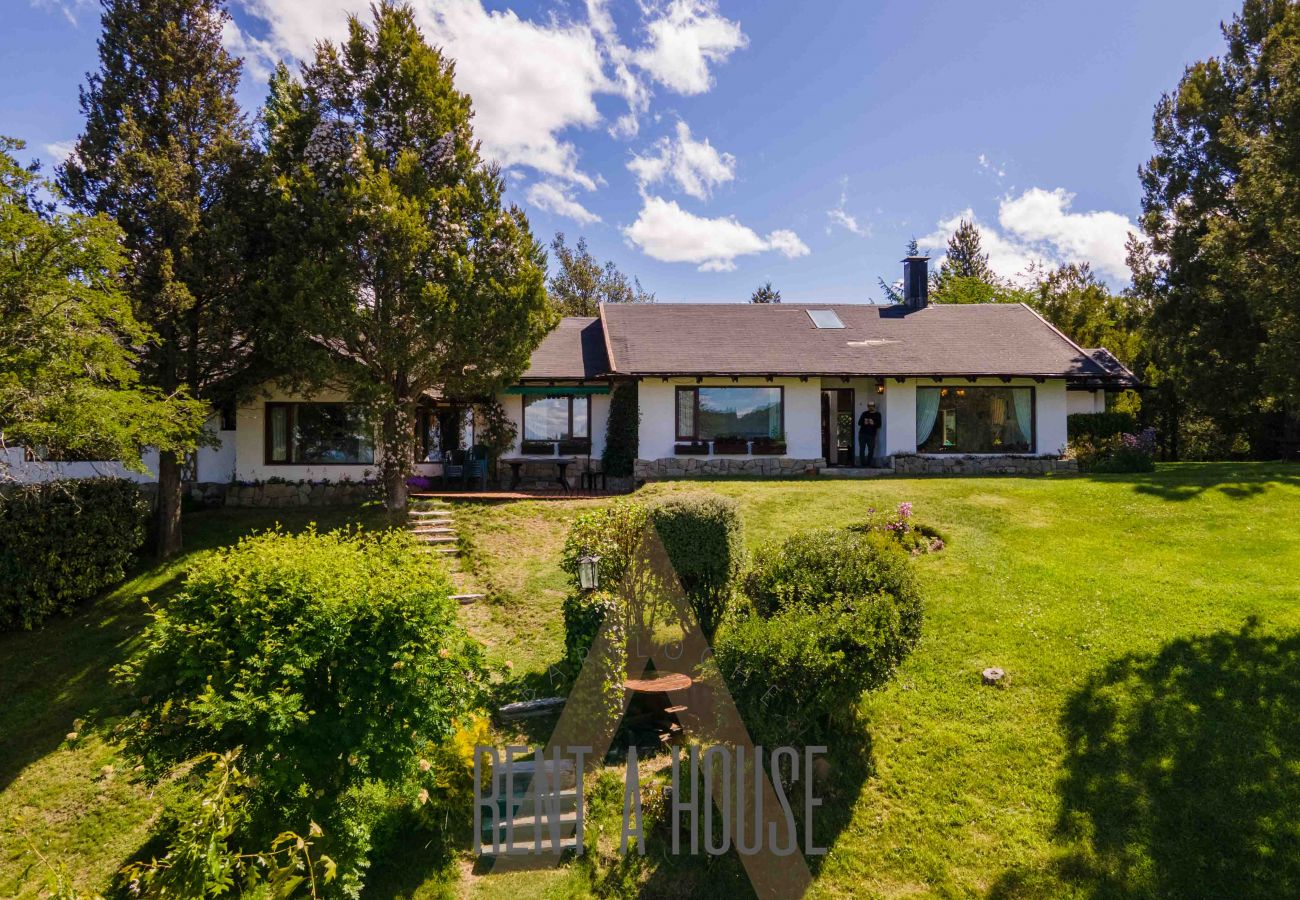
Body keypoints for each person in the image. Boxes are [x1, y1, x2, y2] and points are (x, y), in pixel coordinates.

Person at [858, 402, 882, 467]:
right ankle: (863, 464)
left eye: (872, 406)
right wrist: (864, 422)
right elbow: (859, 423)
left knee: (871, 450)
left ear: (874, 406)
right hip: (862, 434)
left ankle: (868, 464)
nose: (870, 407)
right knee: (862, 449)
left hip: (871, 435)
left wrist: (873, 423)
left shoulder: (877, 414)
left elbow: (879, 425)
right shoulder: (864, 413)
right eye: (869, 406)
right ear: (867, 406)